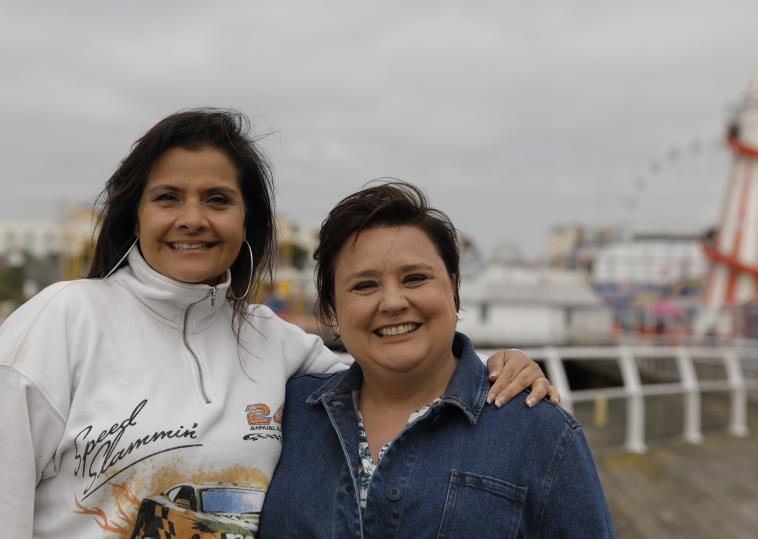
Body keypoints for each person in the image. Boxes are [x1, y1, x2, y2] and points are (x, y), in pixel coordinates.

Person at [0, 110, 557, 538]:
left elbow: (399, 371)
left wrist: (496, 365)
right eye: (168, 197)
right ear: (134, 214)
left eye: (217, 200)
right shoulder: (61, 323)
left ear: (247, 223)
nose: (192, 218)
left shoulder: (275, 344)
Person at [261, 182, 614, 537]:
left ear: (454, 287)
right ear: (331, 307)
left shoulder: (541, 434)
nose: (393, 302)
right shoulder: (286, 416)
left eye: (415, 278)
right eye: (365, 285)